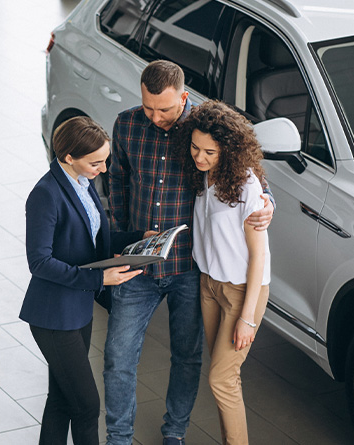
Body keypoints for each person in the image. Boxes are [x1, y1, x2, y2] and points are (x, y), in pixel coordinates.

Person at [103, 60, 274, 445]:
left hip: (188, 269)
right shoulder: (128, 125)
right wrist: (122, 236)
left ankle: (174, 434)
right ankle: (118, 438)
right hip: (138, 265)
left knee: (188, 357)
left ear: (184, 97)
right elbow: (117, 179)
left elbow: (249, 178)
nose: (155, 116)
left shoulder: (206, 132)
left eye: (164, 109)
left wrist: (268, 203)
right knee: (118, 357)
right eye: (148, 107)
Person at [20, 116, 153, 444]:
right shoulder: (45, 194)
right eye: (96, 162)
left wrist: (140, 237)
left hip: (77, 309)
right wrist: (99, 278)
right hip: (53, 316)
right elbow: (39, 262)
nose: (104, 169)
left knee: (62, 399)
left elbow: (95, 238)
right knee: (87, 405)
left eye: (105, 160)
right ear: (68, 157)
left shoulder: (82, 183)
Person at [177, 100, 271, 445]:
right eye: (195, 147)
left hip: (242, 292)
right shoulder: (202, 175)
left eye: (209, 152)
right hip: (209, 286)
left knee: (221, 378)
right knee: (226, 378)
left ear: (228, 152)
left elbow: (259, 257)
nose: (199, 157)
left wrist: (248, 318)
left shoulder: (247, 187)